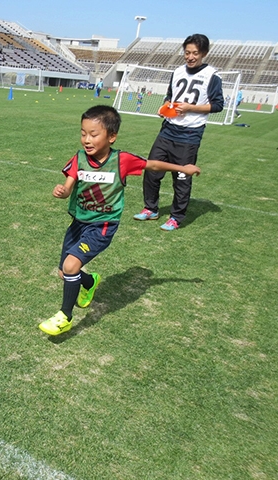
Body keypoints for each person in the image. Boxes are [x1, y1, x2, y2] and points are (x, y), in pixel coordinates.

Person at [38, 105, 201, 336]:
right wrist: (62, 192)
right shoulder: (79, 158)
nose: (87, 139)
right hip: (78, 223)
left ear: (111, 137)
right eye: (83, 133)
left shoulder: (121, 160)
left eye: (94, 134)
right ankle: (89, 282)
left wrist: (182, 168)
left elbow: (152, 164)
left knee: (71, 265)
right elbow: (68, 185)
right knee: (65, 272)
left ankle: (65, 316)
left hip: (102, 225)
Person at [134, 33, 223, 231]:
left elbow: (218, 105)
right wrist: (165, 106)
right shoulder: (177, 71)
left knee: (182, 177)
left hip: (190, 134)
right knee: (152, 170)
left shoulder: (212, 76)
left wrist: (191, 108)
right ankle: (151, 208)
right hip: (167, 130)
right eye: (187, 53)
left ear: (204, 54)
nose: (190, 57)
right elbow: (170, 96)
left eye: (195, 53)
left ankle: (176, 217)